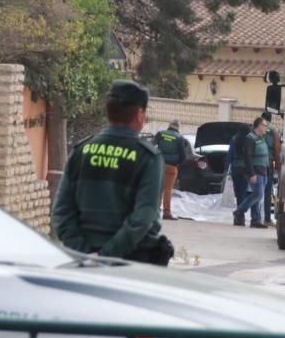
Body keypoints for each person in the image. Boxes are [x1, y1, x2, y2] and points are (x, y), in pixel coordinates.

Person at [51, 80, 174, 266]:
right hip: (132, 264)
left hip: (82, 263)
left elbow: (61, 212)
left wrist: (86, 254)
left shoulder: (81, 151)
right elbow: (143, 218)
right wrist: (106, 255)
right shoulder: (147, 157)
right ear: (140, 114)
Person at [233, 116, 268, 228]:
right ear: (258, 126)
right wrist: (251, 173)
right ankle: (239, 211)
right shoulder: (250, 138)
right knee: (258, 194)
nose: (266, 127)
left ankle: (255, 220)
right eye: (264, 125)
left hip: (263, 170)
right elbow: (247, 156)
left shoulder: (261, 138)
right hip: (255, 171)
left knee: (258, 195)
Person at [153, 119, 186, 220]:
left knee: (158, 188)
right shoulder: (180, 138)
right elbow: (183, 155)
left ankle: (155, 211)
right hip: (171, 167)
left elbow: (151, 146)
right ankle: (167, 213)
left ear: (169, 125)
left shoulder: (160, 134)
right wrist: (177, 163)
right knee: (167, 190)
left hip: (159, 164)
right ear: (178, 127)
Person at [260, 110, 281, 227]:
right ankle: (267, 219)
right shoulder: (273, 129)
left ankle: (255, 217)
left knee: (255, 191)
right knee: (267, 191)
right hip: (267, 163)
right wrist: (277, 163)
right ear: (271, 119)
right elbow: (277, 147)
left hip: (256, 162)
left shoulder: (257, 127)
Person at [226, 124, 251, 211]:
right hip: (245, 169)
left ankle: (239, 210)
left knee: (237, 192)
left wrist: (226, 169)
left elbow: (230, 155)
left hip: (235, 169)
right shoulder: (249, 140)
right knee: (243, 191)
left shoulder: (234, 139)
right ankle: (240, 212)